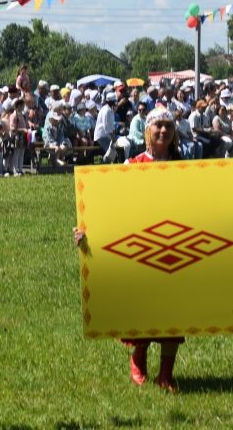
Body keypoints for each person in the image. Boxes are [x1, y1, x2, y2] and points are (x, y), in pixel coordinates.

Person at [75, 107, 183, 391]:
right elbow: (111, 203)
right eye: (158, 126)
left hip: (176, 244)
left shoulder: (186, 168)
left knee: (175, 312)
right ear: (148, 130)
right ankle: (139, 360)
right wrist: (88, 230)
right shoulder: (133, 164)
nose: (163, 131)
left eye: (168, 127)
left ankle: (166, 374)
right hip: (141, 244)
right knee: (143, 309)